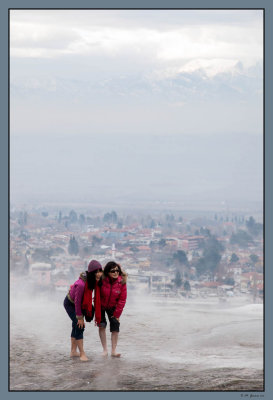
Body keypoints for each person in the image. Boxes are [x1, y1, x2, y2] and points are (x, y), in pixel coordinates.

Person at [63, 259, 103, 361]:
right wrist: (80, 317)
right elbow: (77, 302)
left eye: (100, 271)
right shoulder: (81, 284)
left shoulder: (93, 281)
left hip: (79, 304)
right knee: (80, 325)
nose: (99, 274)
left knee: (75, 325)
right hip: (70, 304)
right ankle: (82, 353)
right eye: (96, 272)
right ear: (91, 273)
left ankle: (73, 351)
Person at [98, 261, 127, 358]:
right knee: (102, 326)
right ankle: (105, 350)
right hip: (101, 305)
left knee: (115, 327)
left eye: (117, 270)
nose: (115, 273)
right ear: (107, 272)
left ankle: (113, 351)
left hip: (113, 306)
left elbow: (122, 300)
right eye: (112, 271)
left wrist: (117, 315)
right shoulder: (101, 280)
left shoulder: (122, 282)